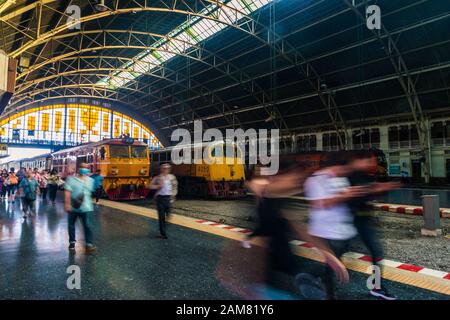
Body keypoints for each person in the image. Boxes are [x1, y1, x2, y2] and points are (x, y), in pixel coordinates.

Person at [303, 153, 365, 300]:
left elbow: (344, 199)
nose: (344, 173)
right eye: (341, 169)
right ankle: (328, 292)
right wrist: (346, 195)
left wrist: (352, 196)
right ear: (333, 166)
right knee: (332, 265)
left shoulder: (340, 178)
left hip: (343, 231)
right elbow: (321, 203)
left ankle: (319, 279)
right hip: (326, 231)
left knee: (334, 262)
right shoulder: (316, 180)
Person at [347, 151, 400, 300]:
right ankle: (319, 278)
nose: (374, 164)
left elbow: (370, 194)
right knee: (337, 252)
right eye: (370, 161)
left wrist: (382, 189)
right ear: (360, 160)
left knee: (376, 252)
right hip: (351, 222)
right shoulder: (350, 175)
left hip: (364, 222)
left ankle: (377, 287)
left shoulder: (366, 176)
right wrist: (375, 189)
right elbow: (357, 193)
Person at [64, 163, 96, 253]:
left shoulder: (91, 180)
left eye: (86, 167)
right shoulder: (70, 179)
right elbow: (67, 192)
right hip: (73, 207)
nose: (84, 169)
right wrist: (67, 204)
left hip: (87, 207)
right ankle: (72, 242)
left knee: (88, 226)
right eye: (82, 167)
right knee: (71, 225)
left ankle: (89, 244)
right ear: (78, 169)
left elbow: (91, 193)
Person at [149, 163, 178, 239]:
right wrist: (157, 186)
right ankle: (163, 234)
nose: (166, 169)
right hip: (160, 199)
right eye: (164, 168)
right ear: (161, 169)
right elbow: (150, 186)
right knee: (161, 217)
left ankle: (164, 225)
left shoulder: (172, 177)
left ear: (169, 169)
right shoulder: (157, 178)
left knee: (169, 215)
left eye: (167, 168)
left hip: (168, 198)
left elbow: (175, 186)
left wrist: (173, 195)